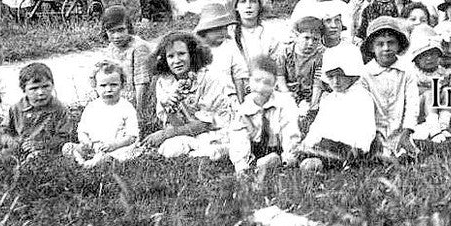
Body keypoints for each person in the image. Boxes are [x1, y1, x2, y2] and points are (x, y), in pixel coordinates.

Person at [144, 31, 235, 160]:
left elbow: (204, 124)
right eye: (170, 56)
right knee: (169, 149)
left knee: (216, 145)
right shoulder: (164, 83)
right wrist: (171, 111)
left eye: (181, 54)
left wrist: (164, 134)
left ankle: (216, 151)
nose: (177, 61)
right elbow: (178, 125)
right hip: (189, 133)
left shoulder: (208, 78)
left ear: (192, 54)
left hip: (215, 130)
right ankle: (200, 153)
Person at [298, 46, 379, 170]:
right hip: (326, 143)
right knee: (304, 150)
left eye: (341, 76)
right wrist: (307, 143)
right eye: (331, 77)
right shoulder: (329, 99)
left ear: (353, 75)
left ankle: (317, 163)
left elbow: (366, 129)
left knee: (328, 152)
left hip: (349, 146)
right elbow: (318, 126)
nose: (336, 81)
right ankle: (301, 158)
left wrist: (359, 148)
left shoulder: (362, 98)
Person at [228, 55, 302, 178]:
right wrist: (241, 166)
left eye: (267, 83)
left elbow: (290, 130)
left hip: (279, 147)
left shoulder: (284, 103)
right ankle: (257, 164)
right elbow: (239, 138)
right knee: (235, 144)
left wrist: (288, 157)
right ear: (249, 80)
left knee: (286, 155)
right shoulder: (244, 110)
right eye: (257, 81)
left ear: (274, 85)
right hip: (255, 150)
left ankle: (277, 162)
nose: (261, 87)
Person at [0, 63, 73, 164]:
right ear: (24, 89)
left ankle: (24, 170)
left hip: (46, 150)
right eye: (34, 88)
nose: (40, 92)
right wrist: (9, 140)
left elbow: (64, 137)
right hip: (19, 147)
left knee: (33, 159)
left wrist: (42, 144)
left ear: (52, 85)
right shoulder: (16, 108)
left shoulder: (59, 109)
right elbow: (4, 130)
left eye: (46, 86)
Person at [358, 17, 418, 161]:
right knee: (366, 148)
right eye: (380, 44)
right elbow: (364, 110)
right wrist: (374, 133)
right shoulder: (365, 74)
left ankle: (403, 151)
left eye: (391, 43)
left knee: (418, 140)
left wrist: (407, 130)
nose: (386, 48)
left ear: (398, 45)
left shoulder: (407, 71)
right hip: (375, 130)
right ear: (372, 47)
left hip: (401, 128)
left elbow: (412, 103)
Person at [63, 61, 140, 167]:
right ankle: (81, 161)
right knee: (68, 147)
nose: (108, 89)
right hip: (93, 146)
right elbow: (82, 130)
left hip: (116, 147)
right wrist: (86, 141)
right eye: (103, 85)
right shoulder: (91, 107)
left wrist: (115, 145)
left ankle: (91, 163)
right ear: (95, 86)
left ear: (122, 85)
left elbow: (132, 136)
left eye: (114, 85)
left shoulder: (126, 108)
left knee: (112, 156)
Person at [227, 0, 289, 64]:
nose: (248, 6)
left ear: (260, 6)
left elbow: (277, 63)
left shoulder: (269, 32)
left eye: (253, 1)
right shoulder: (230, 32)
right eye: (243, 1)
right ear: (236, 7)